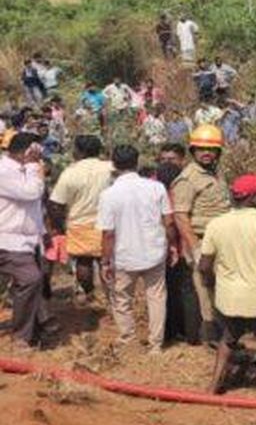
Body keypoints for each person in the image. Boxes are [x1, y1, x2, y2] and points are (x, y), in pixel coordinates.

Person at [199, 173, 256, 395]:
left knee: (228, 340)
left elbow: (204, 266)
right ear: (253, 198)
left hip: (229, 298)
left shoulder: (216, 224)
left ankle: (214, 385)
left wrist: (214, 286)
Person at [97, 144, 175, 353]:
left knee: (122, 299)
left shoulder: (109, 195)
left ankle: (128, 338)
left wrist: (105, 261)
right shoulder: (156, 187)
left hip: (124, 255)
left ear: (114, 164)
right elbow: (168, 222)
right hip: (154, 252)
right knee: (157, 297)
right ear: (136, 161)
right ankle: (156, 345)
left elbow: (108, 234)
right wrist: (173, 245)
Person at [171, 124, 232, 344]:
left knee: (221, 288)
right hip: (203, 240)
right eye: (201, 149)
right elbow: (180, 215)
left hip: (222, 241)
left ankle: (225, 333)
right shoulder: (188, 178)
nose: (207, 153)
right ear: (193, 151)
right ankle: (213, 338)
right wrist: (196, 247)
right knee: (206, 290)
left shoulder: (215, 173)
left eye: (212, 150)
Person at [0, 132, 56, 350]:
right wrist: (34, 167)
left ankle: (36, 327)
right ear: (27, 152)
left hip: (27, 240)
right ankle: (22, 337)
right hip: (8, 240)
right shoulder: (4, 171)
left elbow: (33, 208)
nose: (40, 159)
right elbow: (30, 193)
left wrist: (43, 232)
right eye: (36, 153)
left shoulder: (24, 171)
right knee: (31, 279)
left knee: (37, 279)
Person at [47, 135, 114, 304]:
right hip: (109, 223)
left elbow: (56, 204)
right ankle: (111, 298)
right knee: (107, 261)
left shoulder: (70, 172)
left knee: (84, 262)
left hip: (79, 223)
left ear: (79, 151)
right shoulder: (111, 168)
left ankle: (90, 292)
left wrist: (59, 227)